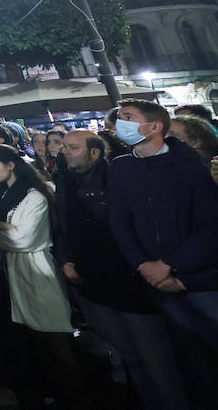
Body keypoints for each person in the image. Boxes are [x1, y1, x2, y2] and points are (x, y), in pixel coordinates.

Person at [57, 131, 189, 408]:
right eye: (63, 147)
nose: (64, 152)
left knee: (155, 359)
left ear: (94, 152)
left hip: (131, 284)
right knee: (129, 356)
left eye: (72, 147)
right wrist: (68, 259)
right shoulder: (66, 181)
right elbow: (65, 228)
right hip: (95, 285)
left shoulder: (119, 179)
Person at [108, 98, 218, 403]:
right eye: (119, 117)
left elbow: (209, 224)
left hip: (199, 279)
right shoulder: (120, 167)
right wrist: (143, 264)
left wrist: (169, 264)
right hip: (155, 282)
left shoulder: (190, 164)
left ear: (155, 126)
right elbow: (120, 223)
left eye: (128, 117)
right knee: (189, 356)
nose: (121, 123)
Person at [0, 144, 81, 406]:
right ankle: (50, 391)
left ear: (11, 164)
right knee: (34, 338)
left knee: (55, 335)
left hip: (37, 270)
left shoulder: (35, 196)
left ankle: (75, 395)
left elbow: (24, 239)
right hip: (12, 271)